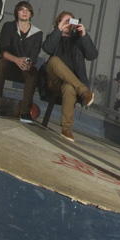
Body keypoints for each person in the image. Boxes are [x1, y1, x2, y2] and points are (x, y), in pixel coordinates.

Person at [42, 11, 97, 142]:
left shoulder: (78, 40)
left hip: (70, 83)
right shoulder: (54, 36)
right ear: (58, 22)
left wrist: (84, 36)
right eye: (65, 21)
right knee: (54, 60)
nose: (68, 24)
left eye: (70, 21)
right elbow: (47, 48)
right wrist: (59, 28)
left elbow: (92, 55)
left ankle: (66, 129)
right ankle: (84, 91)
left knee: (69, 88)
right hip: (53, 79)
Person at [0, 0, 42, 123]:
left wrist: (29, 62)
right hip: (10, 65)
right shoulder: (9, 26)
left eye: (27, 10)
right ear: (17, 12)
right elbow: (3, 50)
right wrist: (16, 60)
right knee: (2, 62)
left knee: (33, 72)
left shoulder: (37, 33)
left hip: (25, 69)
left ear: (31, 14)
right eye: (22, 9)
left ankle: (25, 112)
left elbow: (34, 55)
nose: (25, 12)